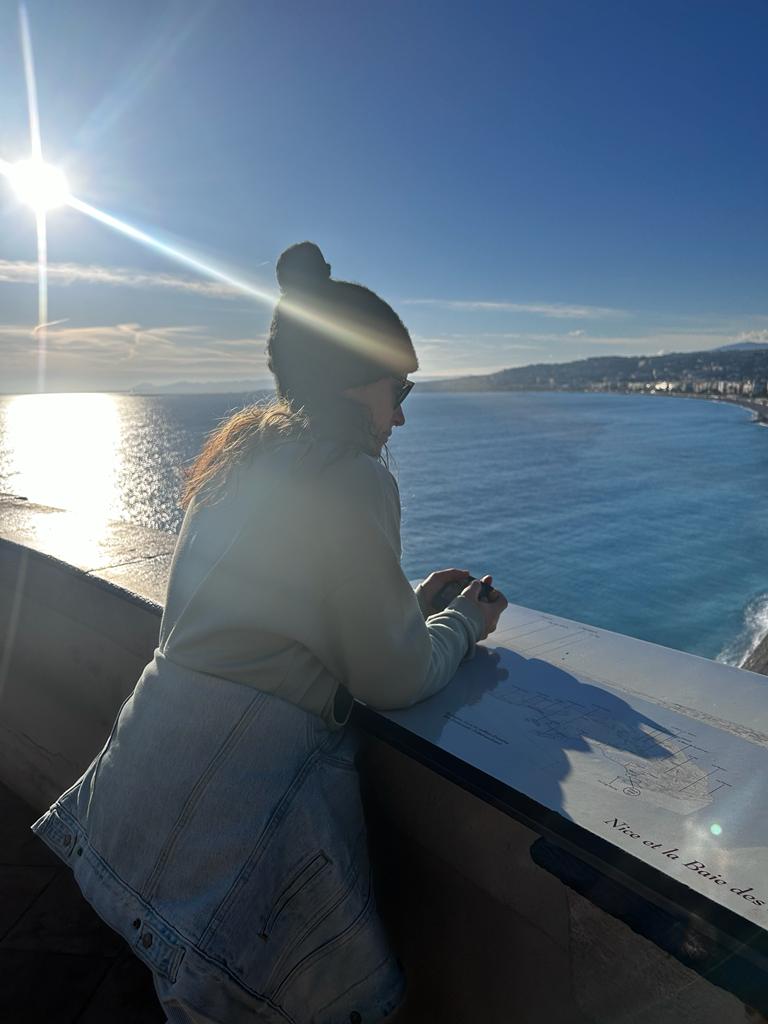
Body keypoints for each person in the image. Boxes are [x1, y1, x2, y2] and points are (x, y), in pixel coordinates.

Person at [32, 242, 508, 1024]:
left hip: (148, 770)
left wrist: (408, 605)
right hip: (234, 806)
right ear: (352, 377)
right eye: (399, 388)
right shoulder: (351, 476)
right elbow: (392, 678)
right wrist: (465, 622)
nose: (400, 413)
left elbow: (278, 611)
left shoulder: (239, 457)